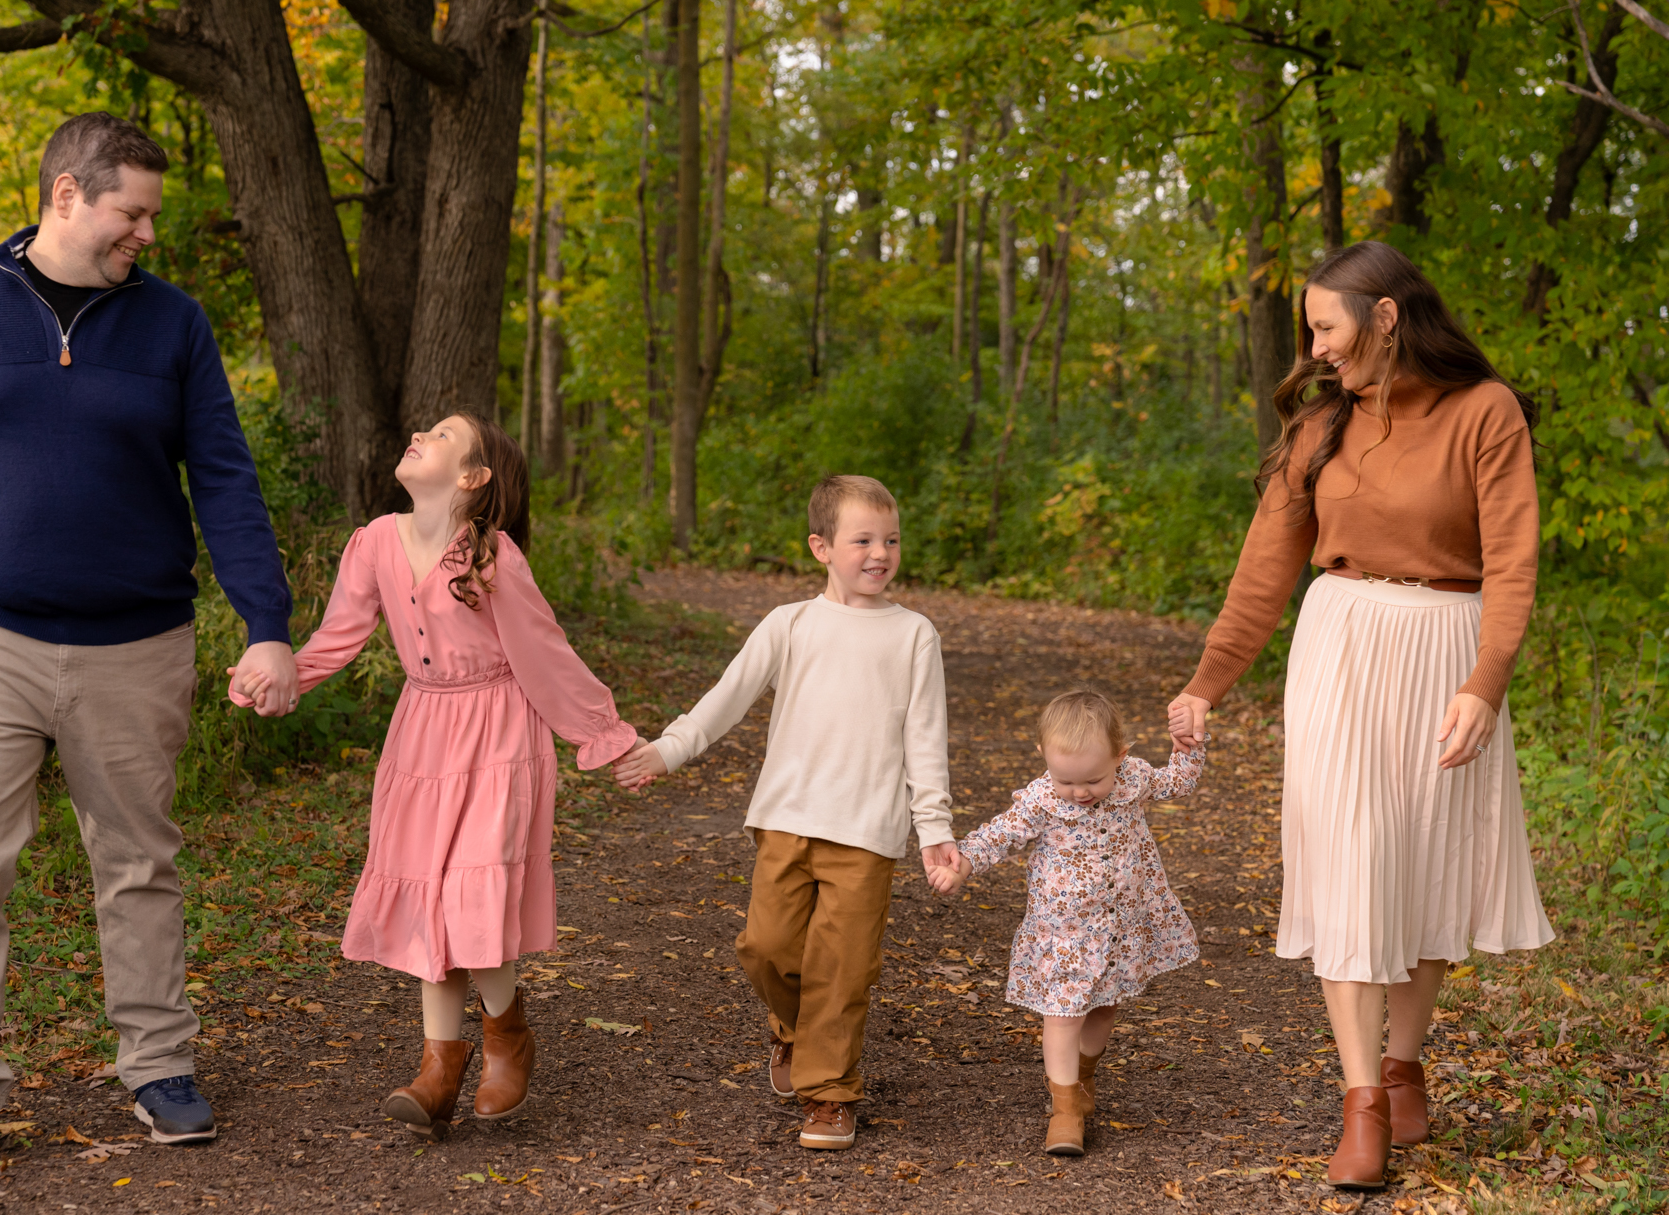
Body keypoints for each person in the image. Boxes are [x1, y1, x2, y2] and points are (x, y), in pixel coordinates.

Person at [0, 113, 300, 1174]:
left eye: (151, 213)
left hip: (136, 640)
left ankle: (157, 1066)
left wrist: (267, 626)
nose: (145, 231)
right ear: (65, 194)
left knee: (138, 861)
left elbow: (224, 479)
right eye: (129, 211)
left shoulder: (172, 325)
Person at [1165, 241, 1554, 1190]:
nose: (1317, 346)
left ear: (1384, 316)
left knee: (1421, 866)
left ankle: (1404, 1061)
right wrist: (1204, 684)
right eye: (1310, 330)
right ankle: (1363, 1101)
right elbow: (1265, 571)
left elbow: (1510, 560)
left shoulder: (1484, 411)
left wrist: (1484, 681)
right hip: (1339, 646)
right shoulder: (1320, 428)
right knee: (1346, 863)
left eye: (1327, 325)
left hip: (1446, 653)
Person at [229, 413, 638, 1139]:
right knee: (430, 900)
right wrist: (284, 675)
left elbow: (545, 652)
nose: (420, 431)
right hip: (423, 734)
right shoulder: (374, 541)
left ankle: (505, 1034)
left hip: (499, 730)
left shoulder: (492, 558)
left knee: (470, 891)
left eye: (444, 434)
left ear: (472, 477)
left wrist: (603, 734)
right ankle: (439, 1065)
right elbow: (339, 634)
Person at [614, 474, 958, 1152]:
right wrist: (669, 749)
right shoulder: (791, 623)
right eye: (862, 539)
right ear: (821, 546)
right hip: (788, 818)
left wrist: (935, 829)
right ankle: (791, 1028)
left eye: (890, 539)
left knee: (843, 965)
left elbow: (927, 736)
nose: (880, 552)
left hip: (866, 831)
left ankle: (829, 1094)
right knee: (766, 946)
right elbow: (728, 695)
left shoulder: (914, 635)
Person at [929, 690, 1204, 1157]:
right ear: (1044, 760)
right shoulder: (1043, 798)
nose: (1079, 793)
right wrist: (962, 864)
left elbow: (1178, 782)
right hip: (1065, 932)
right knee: (1062, 1014)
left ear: (1121, 756)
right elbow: (1001, 833)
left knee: (1104, 1006)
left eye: (1094, 779)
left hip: (1120, 925)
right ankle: (1064, 1110)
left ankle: (1084, 1078)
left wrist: (1188, 748)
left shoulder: (1132, 779)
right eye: (1066, 780)